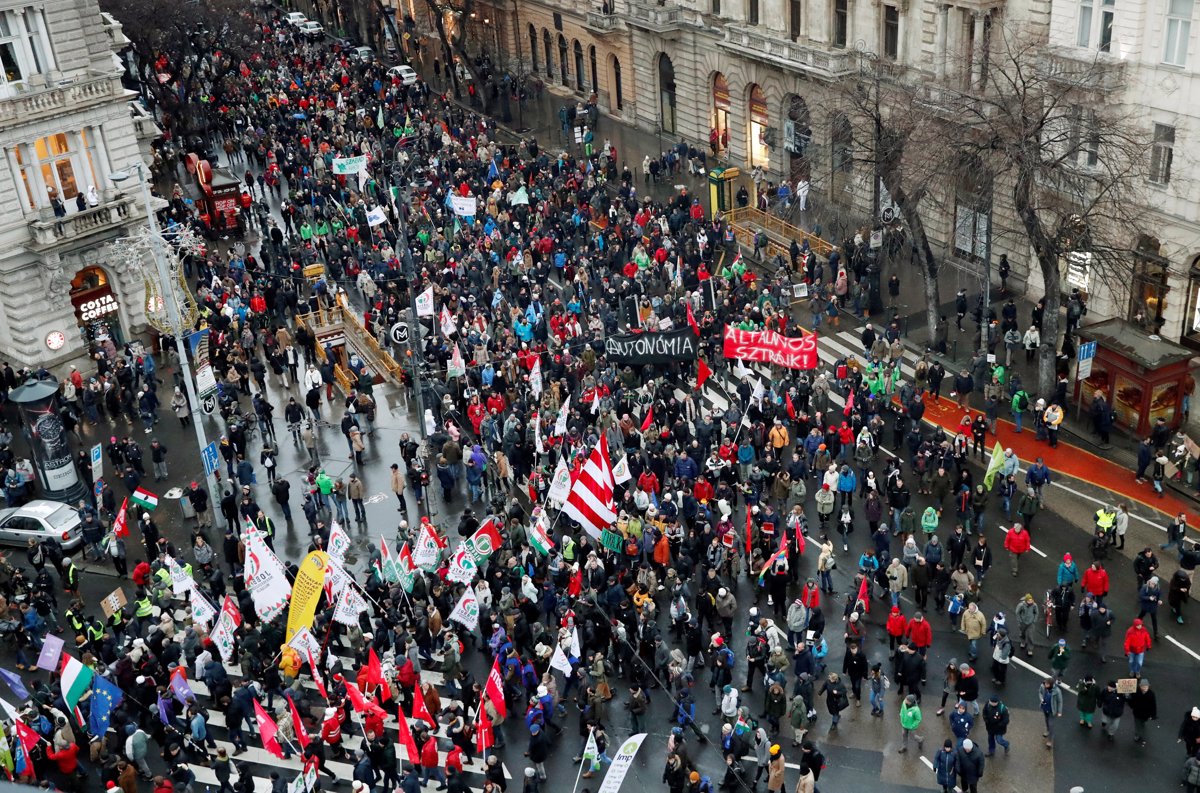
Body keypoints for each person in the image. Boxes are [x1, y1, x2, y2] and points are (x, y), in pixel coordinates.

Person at [1039, 677, 1063, 749]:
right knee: (1046, 720)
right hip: (1045, 707)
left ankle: (1049, 740)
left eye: (1047, 684)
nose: (1045, 685)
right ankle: (1047, 730)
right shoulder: (1043, 686)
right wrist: (1041, 699)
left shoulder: (1057, 691)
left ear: (1051, 685)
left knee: (1051, 724)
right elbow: (1040, 692)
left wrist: (1059, 711)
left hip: (1052, 710)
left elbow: (1060, 701)